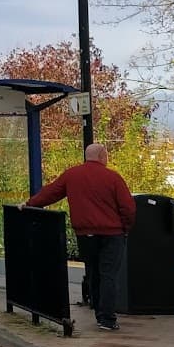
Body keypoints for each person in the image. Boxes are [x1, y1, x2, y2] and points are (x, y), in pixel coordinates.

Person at [23, 142, 135, 332]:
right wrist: (126, 227)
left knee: (93, 272)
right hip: (112, 233)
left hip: (85, 233)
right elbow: (128, 207)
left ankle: (98, 311)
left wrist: (29, 203)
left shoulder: (72, 175)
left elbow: (51, 193)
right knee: (109, 275)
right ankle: (106, 319)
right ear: (102, 156)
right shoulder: (113, 177)